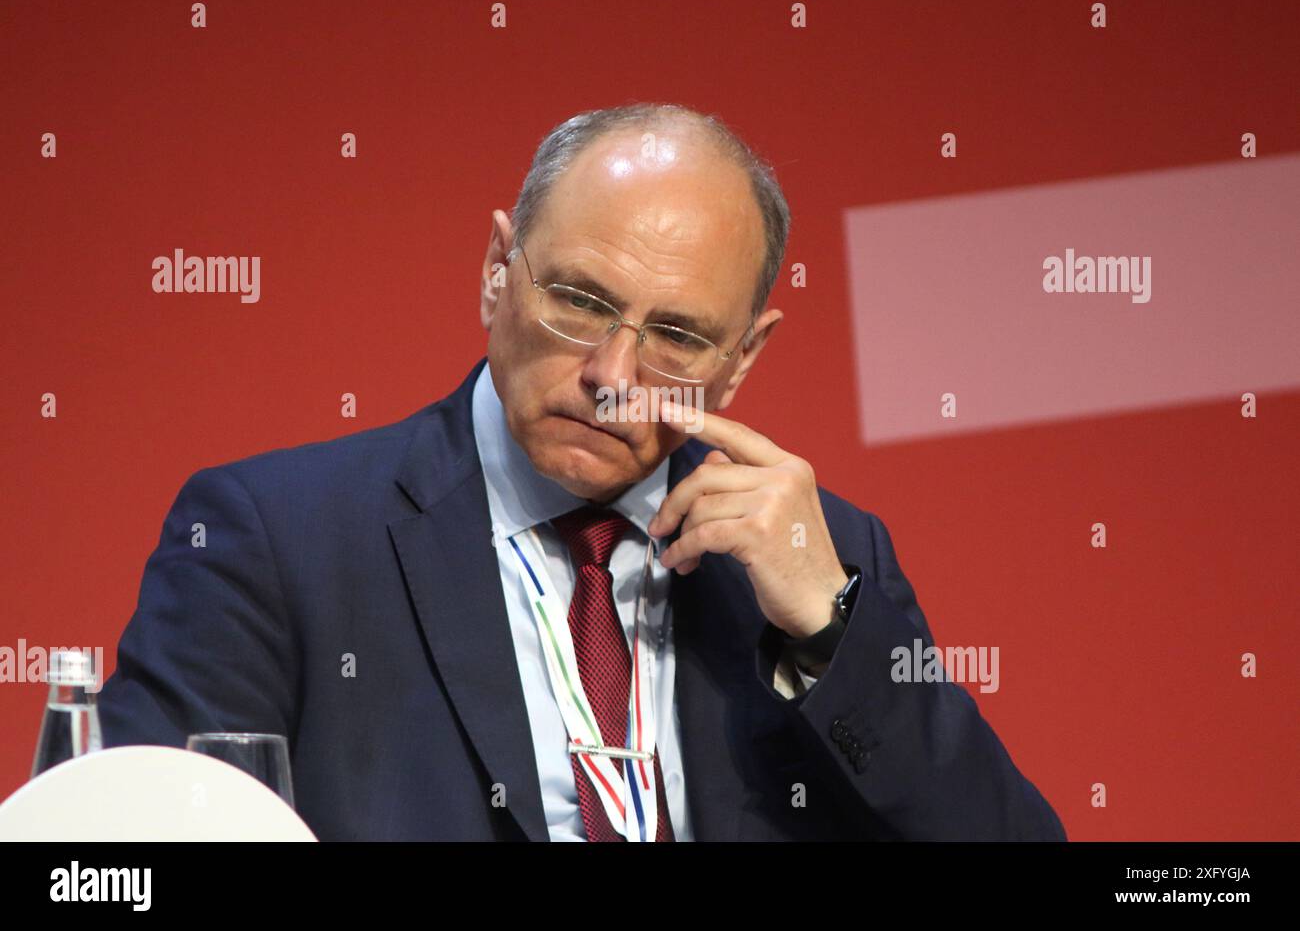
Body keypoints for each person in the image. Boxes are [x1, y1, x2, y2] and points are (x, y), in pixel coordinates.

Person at [99, 103, 1066, 841]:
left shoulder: (827, 560)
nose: (612, 376)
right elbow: (124, 862)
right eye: (577, 301)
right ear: (495, 268)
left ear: (743, 361)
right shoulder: (274, 541)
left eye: (678, 337)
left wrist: (832, 633)